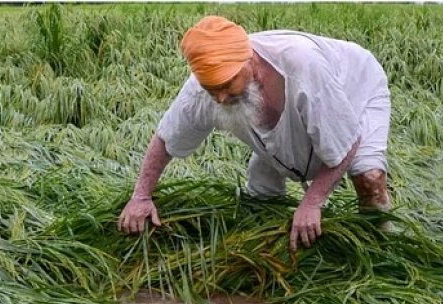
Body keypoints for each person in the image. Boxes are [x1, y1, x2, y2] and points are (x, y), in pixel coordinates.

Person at [118, 15, 392, 251]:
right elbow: (167, 139)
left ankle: (379, 246)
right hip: (292, 120)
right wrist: (140, 197)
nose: (221, 98)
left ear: (249, 60)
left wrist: (312, 202)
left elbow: (347, 141)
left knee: (369, 177)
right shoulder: (203, 89)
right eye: (212, 89)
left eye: (227, 84)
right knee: (261, 202)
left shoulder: (302, 65)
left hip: (356, 87)